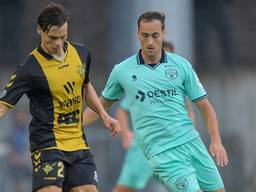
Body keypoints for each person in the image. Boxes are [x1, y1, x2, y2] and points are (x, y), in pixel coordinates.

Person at [83, 11, 228, 192]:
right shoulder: (122, 71)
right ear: (138, 34)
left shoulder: (181, 65)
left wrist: (216, 140)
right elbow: (100, 106)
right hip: (163, 153)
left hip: (193, 144)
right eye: (145, 36)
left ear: (163, 33)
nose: (150, 42)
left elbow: (204, 106)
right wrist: (73, 126)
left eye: (155, 35)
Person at [0, 3, 120, 192]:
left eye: (63, 37)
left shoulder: (81, 53)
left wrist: (104, 115)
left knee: (88, 189)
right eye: (52, 38)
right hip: (47, 144)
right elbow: (3, 105)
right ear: (40, 30)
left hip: (77, 143)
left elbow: (86, 86)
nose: (57, 43)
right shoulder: (29, 69)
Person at [112, 41, 195, 192]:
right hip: (144, 148)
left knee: (187, 187)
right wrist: (126, 135)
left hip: (172, 147)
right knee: (124, 189)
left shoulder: (179, 85)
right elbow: (122, 109)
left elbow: (189, 111)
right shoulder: (142, 85)